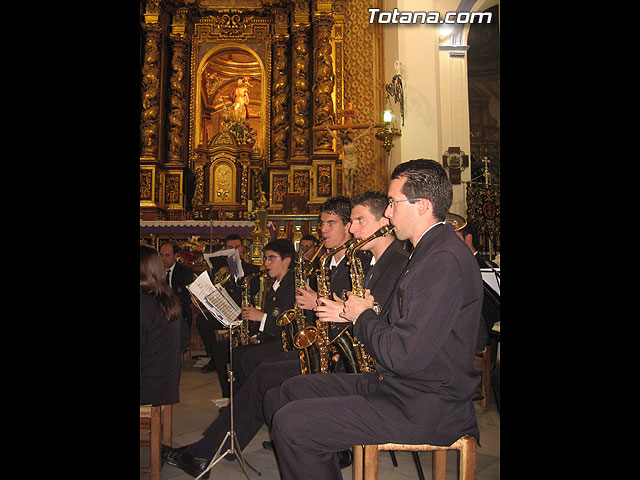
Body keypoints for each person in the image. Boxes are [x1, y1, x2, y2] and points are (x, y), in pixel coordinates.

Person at [262, 159, 484, 480]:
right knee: (291, 391)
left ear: (422, 206)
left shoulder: (442, 260)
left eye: (393, 203)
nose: (389, 213)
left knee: (291, 424)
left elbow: (402, 354)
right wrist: (360, 313)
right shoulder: (427, 253)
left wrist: (361, 315)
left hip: (424, 405)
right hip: (399, 386)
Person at [160, 194, 408, 478]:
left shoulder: (380, 260)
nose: (349, 229)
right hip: (329, 348)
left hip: (350, 360)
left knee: (266, 374)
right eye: (344, 222)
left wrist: (323, 305)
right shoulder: (354, 260)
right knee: (263, 376)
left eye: (350, 222)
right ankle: (225, 441)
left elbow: (378, 319)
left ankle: (213, 447)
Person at [211, 239, 296, 397]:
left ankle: (251, 399)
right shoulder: (277, 284)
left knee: (245, 357)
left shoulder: (292, 286)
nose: (266, 263)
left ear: (286, 261)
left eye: (271, 258)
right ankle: (235, 398)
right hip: (269, 336)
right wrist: (256, 335)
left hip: (283, 342)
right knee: (229, 351)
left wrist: (260, 317)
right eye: (265, 258)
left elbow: (285, 324)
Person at [197, 234, 260, 372]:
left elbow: (255, 290)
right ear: (224, 249)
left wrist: (239, 277)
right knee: (202, 320)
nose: (234, 251)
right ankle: (214, 356)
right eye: (230, 248)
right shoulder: (219, 269)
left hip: (242, 312)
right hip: (223, 312)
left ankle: (238, 357)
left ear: (243, 248)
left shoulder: (252, 269)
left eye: (237, 247)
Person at [140, 244, 182, 406]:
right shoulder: (168, 298)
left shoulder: (143, 302)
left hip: (147, 386)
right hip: (166, 382)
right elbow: (183, 342)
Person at [159, 242, 195, 353]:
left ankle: (177, 349)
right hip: (159, 306)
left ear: (175, 256)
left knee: (181, 315)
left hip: (179, 307)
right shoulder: (155, 271)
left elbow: (187, 296)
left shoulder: (185, 272)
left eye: (167, 255)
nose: (163, 259)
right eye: (161, 255)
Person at [323, 123, 374, 198]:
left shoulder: (353, 141)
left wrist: (370, 127)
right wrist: (327, 128)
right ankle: (347, 191)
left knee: (351, 175)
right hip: (346, 160)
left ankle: (350, 190)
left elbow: (363, 134)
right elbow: (333, 135)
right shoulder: (343, 143)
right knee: (346, 175)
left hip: (352, 160)